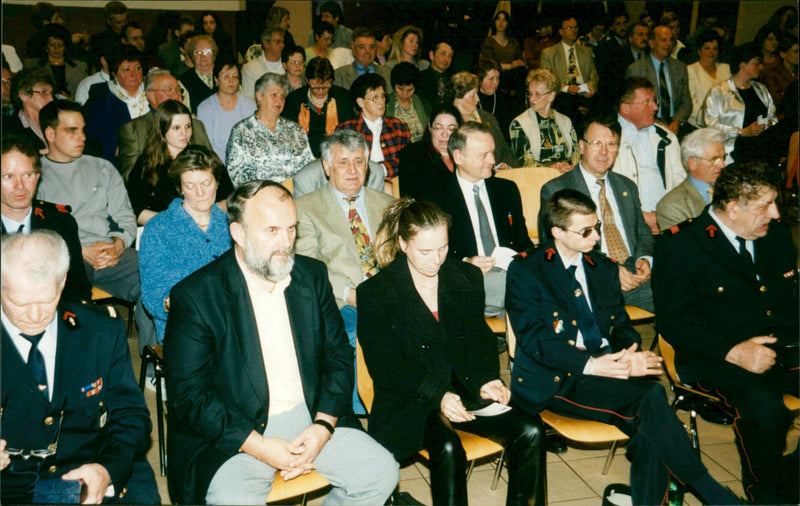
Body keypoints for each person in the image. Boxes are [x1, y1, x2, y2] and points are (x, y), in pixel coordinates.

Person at [163, 179, 399, 504]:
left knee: (381, 472)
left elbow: (338, 358)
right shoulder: (197, 296)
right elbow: (189, 396)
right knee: (233, 499)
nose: (286, 242)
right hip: (236, 432)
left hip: (311, 418)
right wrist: (259, 447)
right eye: (272, 230)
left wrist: (322, 427)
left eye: (291, 229)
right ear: (239, 234)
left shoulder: (311, 276)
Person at [506, 189, 742, 506]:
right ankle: (713, 494)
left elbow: (621, 325)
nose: (596, 236)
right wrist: (591, 364)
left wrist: (628, 353)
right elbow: (534, 339)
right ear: (557, 232)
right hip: (555, 377)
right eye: (585, 231)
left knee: (650, 428)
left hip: (607, 369)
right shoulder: (528, 270)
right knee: (651, 396)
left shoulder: (601, 268)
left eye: (597, 227)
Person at [358, 197, 546, 506]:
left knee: (531, 429)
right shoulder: (376, 293)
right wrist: (438, 396)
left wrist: (487, 378)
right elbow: (386, 367)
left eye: (443, 248)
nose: (436, 259)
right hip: (412, 395)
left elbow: (479, 338)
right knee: (447, 446)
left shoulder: (466, 277)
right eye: (426, 251)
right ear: (403, 243)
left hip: (464, 384)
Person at [652, 161, 799, 504]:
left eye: (776, 203)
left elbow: (789, 301)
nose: (776, 214)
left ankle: (789, 479)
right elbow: (674, 321)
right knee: (764, 409)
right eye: (765, 206)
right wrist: (734, 351)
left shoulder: (773, 235)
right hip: (713, 355)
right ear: (732, 209)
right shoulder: (681, 245)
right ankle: (766, 497)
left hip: (780, 346)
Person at [0, 230, 159, 505]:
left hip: (89, 468)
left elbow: (131, 415)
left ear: (62, 282)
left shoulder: (100, 331)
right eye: (20, 303)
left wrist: (107, 469)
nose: (36, 315)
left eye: (47, 300)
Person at [36, 100, 157, 356]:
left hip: (110, 252)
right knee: (68, 289)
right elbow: (36, 231)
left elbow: (124, 214)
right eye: (72, 130)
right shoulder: (35, 174)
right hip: (64, 256)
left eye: (83, 129)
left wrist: (118, 243)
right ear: (50, 134)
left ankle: (153, 361)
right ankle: (75, 367)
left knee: (158, 276)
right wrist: (78, 252)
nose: (81, 137)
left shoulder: (101, 167)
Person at [295, 130, 395, 414]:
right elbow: (307, 264)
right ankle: (358, 410)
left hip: (387, 292)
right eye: (343, 162)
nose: (353, 170)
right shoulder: (304, 208)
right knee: (351, 331)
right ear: (326, 167)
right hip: (339, 298)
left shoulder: (387, 204)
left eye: (359, 162)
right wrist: (348, 293)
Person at [540, 115, 654, 312]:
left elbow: (643, 233)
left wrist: (644, 260)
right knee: (677, 293)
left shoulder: (626, 186)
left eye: (611, 144)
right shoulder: (557, 190)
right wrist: (610, 270)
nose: (604, 151)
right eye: (596, 143)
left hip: (633, 270)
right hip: (591, 274)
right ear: (582, 146)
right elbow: (555, 247)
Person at [424, 122, 532, 316]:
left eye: (492, 152)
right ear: (458, 156)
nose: (492, 160)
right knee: (533, 293)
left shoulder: (507, 191)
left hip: (509, 277)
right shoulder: (436, 198)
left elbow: (523, 243)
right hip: (467, 282)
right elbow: (428, 258)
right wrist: (466, 263)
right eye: (484, 155)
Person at [139, 146, 231, 344]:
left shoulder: (231, 224)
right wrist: (170, 301)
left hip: (230, 322)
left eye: (206, 183)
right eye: (190, 186)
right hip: (184, 328)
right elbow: (153, 294)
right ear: (180, 188)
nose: (200, 193)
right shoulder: (158, 228)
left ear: (217, 182)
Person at [1, 132, 91, 302]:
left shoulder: (60, 223)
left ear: (37, 176)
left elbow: (78, 288)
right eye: (8, 176)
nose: (19, 186)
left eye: (27, 175)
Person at [613, 77, 684, 234]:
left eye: (654, 101)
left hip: (666, 221)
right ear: (625, 108)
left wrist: (666, 215)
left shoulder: (666, 138)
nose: (655, 107)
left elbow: (680, 182)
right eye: (647, 102)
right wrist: (638, 215)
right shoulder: (606, 138)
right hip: (622, 221)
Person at [118, 68, 212, 180]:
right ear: (151, 96)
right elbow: (129, 177)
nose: (176, 95)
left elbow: (211, 165)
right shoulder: (134, 129)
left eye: (178, 90)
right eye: (169, 90)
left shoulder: (196, 125)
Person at [226, 73, 314, 187]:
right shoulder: (242, 131)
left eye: (282, 96)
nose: (279, 101)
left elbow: (309, 167)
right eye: (274, 95)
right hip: (260, 199)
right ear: (259, 96)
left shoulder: (295, 130)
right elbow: (238, 176)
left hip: (296, 196)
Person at [702, 43, 778, 164]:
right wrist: (742, 132)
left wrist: (767, 124)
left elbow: (772, 115)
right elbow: (710, 125)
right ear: (743, 65)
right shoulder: (719, 91)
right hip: (730, 154)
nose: (761, 67)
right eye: (757, 63)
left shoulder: (761, 89)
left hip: (760, 152)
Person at [126, 100, 194, 225]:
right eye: (176, 128)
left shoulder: (201, 156)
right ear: (162, 130)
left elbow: (228, 197)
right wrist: (172, 224)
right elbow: (135, 210)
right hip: (162, 228)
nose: (184, 133)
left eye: (188, 126)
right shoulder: (146, 163)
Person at [336, 73, 410, 180]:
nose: (381, 102)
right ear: (360, 102)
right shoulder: (345, 130)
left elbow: (408, 162)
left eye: (383, 96)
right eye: (374, 98)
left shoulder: (399, 127)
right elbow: (341, 165)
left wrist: (382, 170)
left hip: (394, 183)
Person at [84, 44, 148, 166]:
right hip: (116, 162)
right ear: (114, 74)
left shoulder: (152, 91)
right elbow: (91, 134)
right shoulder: (101, 95)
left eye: (138, 68)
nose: (134, 74)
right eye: (126, 70)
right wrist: (114, 149)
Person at [626, 25, 692, 136]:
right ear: (651, 43)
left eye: (670, 40)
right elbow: (635, 107)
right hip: (647, 126)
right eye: (663, 40)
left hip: (675, 125)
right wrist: (658, 124)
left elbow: (687, 103)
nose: (668, 44)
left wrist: (676, 122)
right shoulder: (636, 69)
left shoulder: (680, 68)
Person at [282, 57, 354, 159]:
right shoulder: (294, 100)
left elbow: (349, 133)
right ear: (307, 80)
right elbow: (287, 135)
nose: (320, 91)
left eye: (325, 87)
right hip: (303, 157)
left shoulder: (343, 98)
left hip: (338, 155)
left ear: (331, 81)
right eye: (315, 87)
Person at [509, 68, 579, 172]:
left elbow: (576, 154)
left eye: (537, 94)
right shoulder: (519, 124)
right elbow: (524, 163)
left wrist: (567, 165)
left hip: (567, 175)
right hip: (538, 179)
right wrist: (552, 170)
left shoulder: (566, 121)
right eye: (530, 93)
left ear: (551, 96)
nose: (532, 99)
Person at [656, 127, 726, 231]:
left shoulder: (735, 189)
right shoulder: (671, 205)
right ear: (692, 163)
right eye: (714, 159)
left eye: (723, 158)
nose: (722, 165)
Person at [447, 71, 518, 169]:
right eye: (473, 96)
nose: (477, 99)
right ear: (458, 99)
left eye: (477, 94)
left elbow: (506, 150)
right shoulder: (448, 125)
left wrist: (507, 165)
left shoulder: (487, 117)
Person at [398, 102, 462, 199]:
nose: (444, 134)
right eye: (438, 127)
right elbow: (409, 199)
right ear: (430, 127)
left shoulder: (467, 153)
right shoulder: (412, 155)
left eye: (451, 129)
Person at [197, 59, 256, 164]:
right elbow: (208, 145)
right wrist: (232, 162)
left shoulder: (250, 105)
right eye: (226, 76)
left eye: (235, 77)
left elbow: (255, 136)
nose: (231, 80)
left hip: (249, 161)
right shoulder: (205, 108)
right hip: (218, 164)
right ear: (216, 79)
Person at [540, 16, 599, 120]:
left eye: (575, 27)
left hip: (584, 90)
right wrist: (567, 88)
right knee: (567, 102)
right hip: (563, 92)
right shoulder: (549, 53)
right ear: (561, 32)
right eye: (569, 28)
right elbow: (547, 80)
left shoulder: (586, 51)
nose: (574, 30)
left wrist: (591, 88)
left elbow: (593, 74)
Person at [26, 24, 87, 100]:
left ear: (65, 46)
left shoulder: (80, 67)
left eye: (60, 45)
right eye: (52, 45)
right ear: (46, 46)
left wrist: (72, 100)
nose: (56, 48)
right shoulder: (32, 66)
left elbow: (87, 94)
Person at [687, 30, 732, 129]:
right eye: (707, 48)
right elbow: (691, 103)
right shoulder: (691, 70)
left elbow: (732, 98)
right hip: (698, 125)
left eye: (715, 48)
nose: (711, 52)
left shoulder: (726, 69)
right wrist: (711, 119)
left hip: (724, 123)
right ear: (699, 51)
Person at [4, 68, 54, 152]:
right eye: (43, 92)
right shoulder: (10, 128)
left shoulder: (57, 119)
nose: (51, 99)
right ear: (24, 95)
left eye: (51, 93)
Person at [479, 10, 526, 98]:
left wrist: (515, 66)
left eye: (504, 20)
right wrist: (510, 66)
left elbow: (520, 60)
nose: (501, 23)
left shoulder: (513, 42)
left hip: (514, 74)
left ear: (508, 23)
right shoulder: (488, 41)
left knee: (521, 72)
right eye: (498, 19)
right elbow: (489, 63)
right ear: (494, 22)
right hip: (496, 74)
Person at [475, 59, 520, 142]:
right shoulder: (473, 100)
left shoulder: (505, 98)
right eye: (491, 79)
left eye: (497, 78)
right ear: (480, 80)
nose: (495, 83)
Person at [385, 62, 429, 143]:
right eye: (400, 89)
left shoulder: (423, 103)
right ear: (393, 86)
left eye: (410, 90)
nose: (405, 94)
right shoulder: (385, 104)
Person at [242, 26, 286, 100]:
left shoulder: (288, 66)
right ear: (266, 44)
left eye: (282, 41)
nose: (282, 45)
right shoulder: (251, 68)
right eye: (278, 42)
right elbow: (249, 99)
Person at [759, 35, 798, 115]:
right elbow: (777, 101)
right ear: (783, 54)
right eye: (795, 52)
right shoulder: (772, 74)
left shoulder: (796, 72)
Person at [180, 35, 218, 114]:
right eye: (198, 52)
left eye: (207, 51)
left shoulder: (225, 75)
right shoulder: (184, 81)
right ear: (192, 56)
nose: (203, 56)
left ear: (214, 55)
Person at [89, 1, 128, 71]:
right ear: (109, 21)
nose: (123, 25)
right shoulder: (99, 40)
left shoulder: (132, 36)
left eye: (125, 21)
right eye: (118, 22)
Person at [416, 41, 454, 107]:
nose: (446, 59)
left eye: (450, 56)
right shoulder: (419, 78)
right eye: (443, 54)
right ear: (432, 55)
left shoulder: (454, 79)